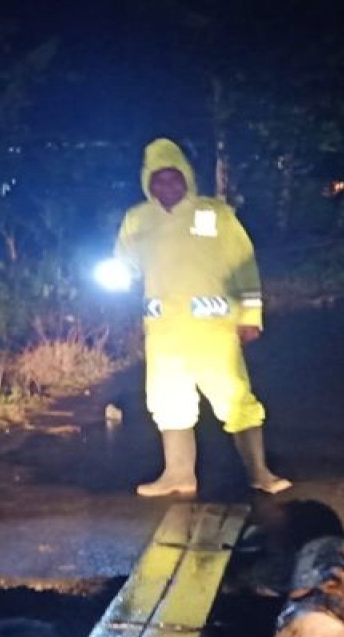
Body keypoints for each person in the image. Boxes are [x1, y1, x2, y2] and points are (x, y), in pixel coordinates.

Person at [114, 137, 291, 497]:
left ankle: (260, 473)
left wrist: (251, 315)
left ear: (187, 177)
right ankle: (178, 475)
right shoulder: (137, 220)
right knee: (167, 401)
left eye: (173, 177)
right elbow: (125, 264)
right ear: (147, 182)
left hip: (213, 331)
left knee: (235, 398)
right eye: (158, 179)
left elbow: (243, 264)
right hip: (164, 332)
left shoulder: (215, 214)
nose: (167, 186)